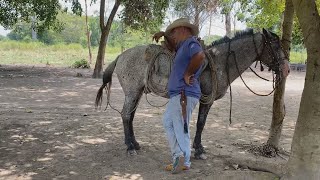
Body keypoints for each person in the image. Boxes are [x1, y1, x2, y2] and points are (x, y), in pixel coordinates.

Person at [155, 18, 205, 174]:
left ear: (183, 29)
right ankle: (180, 156)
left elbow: (200, 55)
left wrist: (188, 73)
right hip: (179, 94)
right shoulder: (182, 46)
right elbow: (171, 44)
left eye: (173, 32)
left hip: (184, 94)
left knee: (180, 127)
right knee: (168, 122)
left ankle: (183, 159)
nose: (172, 36)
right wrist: (164, 34)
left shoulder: (191, 43)